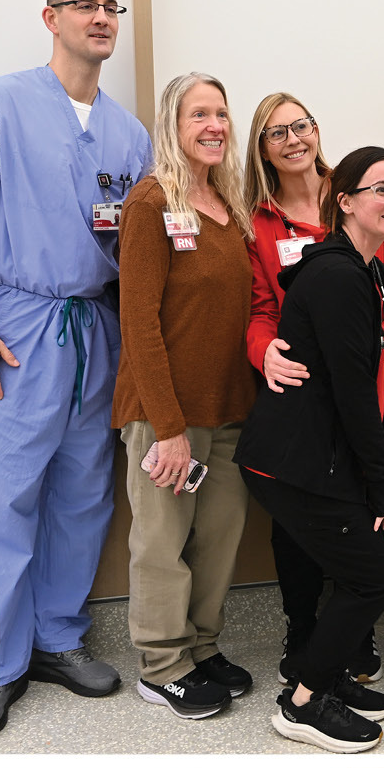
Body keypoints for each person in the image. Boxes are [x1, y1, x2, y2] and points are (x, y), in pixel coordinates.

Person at [0, 0, 155, 721]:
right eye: (83, 5)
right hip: (19, 323)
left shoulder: (128, 134)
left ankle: (58, 638)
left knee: (83, 494)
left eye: (109, 6)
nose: (100, 16)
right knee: (5, 494)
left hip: (97, 324)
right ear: (50, 18)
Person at [236, 147, 384, 753]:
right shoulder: (338, 276)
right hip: (291, 462)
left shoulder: (368, 273)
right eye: (381, 190)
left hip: (320, 455)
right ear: (344, 201)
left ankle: (330, 676)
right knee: (378, 571)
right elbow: (352, 395)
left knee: (370, 564)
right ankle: (303, 703)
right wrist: (380, 483)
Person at [107, 71, 265, 720]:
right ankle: (162, 664)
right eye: (199, 114)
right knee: (162, 543)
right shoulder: (153, 202)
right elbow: (138, 321)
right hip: (163, 414)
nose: (214, 127)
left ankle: (200, 647)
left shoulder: (229, 204)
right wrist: (166, 427)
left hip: (227, 409)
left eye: (222, 114)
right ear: (173, 125)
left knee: (218, 536)